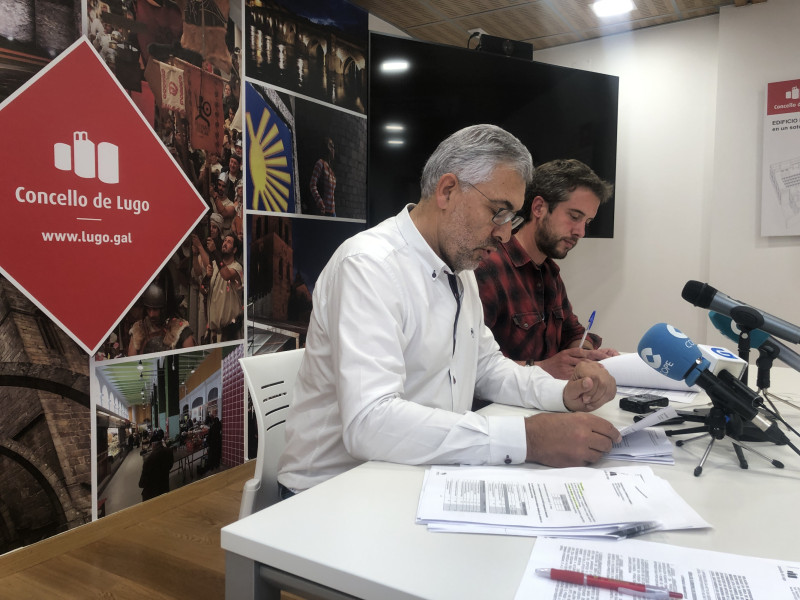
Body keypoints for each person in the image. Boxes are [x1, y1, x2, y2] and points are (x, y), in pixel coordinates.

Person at [278, 125, 620, 495]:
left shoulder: (459, 267)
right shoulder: (369, 266)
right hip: (331, 493)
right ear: (447, 190)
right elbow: (370, 423)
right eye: (498, 213)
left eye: (511, 217)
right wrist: (527, 438)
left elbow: (486, 367)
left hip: (417, 475)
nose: (505, 234)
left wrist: (563, 394)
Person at [475, 158, 619, 381]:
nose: (580, 231)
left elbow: (573, 332)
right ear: (539, 207)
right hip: (498, 411)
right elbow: (469, 363)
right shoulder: (488, 268)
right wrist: (541, 368)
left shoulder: (550, 272)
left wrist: (585, 354)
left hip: (545, 400)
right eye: (574, 216)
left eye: (587, 222)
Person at [195, 232, 243, 342]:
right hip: (213, 334)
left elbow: (226, 275)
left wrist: (214, 251)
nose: (225, 243)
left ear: (234, 250)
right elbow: (203, 290)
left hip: (230, 335)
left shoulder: (237, 267)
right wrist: (207, 277)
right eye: (224, 241)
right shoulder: (214, 265)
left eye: (229, 242)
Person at [127, 281, 195, 355]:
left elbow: (191, 361)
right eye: (148, 309)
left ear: (164, 309)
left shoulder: (180, 329)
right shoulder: (139, 329)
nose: (151, 314)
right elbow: (131, 362)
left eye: (155, 309)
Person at [138, 429, 174, 501]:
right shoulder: (169, 451)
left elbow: (141, 484)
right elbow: (170, 466)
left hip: (151, 496)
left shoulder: (148, 460)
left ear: (153, 444)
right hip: (165, 489)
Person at [309, 136, 336, 216]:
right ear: (327, 148)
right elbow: (312, 185)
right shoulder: (320, 163)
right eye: (332, 146)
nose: (334, 150)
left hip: (333, 212)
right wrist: (320, 203)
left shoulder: (331, 170)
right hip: (324, 212)